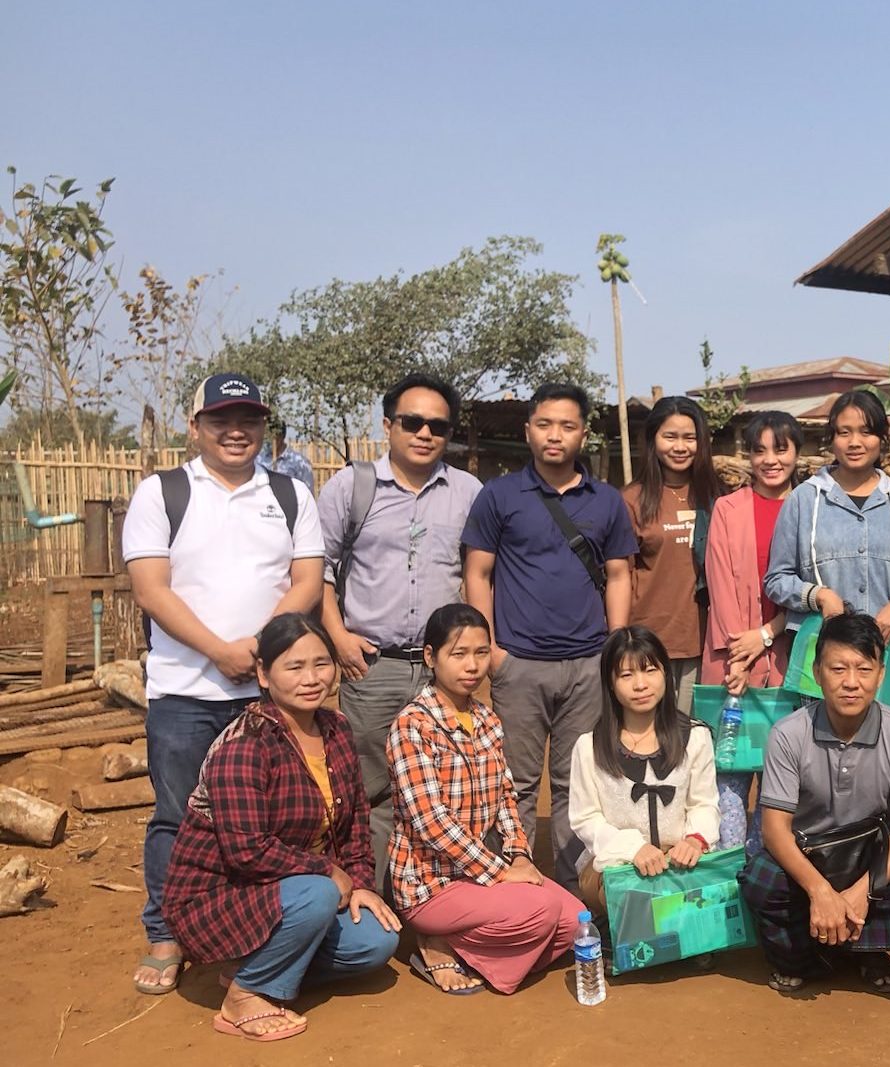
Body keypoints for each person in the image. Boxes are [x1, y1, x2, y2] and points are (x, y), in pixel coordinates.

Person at [123, 373, 325, 995]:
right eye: (221, 420)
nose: (236, 431)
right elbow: (151, 588)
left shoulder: (291, 495)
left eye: (248, 419)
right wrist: (219, 650)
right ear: (196, 427)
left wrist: (262, 657)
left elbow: (308, 580)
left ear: (264, 426)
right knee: (178, 816)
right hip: (185, 692)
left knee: (270, 820)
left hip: (269, 696)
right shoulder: (163, 493)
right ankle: (166, 932)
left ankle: (252, 928)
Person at [162, 613, 400, 1041]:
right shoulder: (245, 745)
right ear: (263, 674)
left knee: (375, 944)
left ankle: (254, 966)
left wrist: (361, 882)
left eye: (321, 663)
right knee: (319, 889)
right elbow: (246, 852)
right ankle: (244, 996)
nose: (311, 678)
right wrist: (328, 870)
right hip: (220, 897)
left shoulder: (337, 729)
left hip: (289, 894)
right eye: (294, 667)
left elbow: (355, 825)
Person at [462, 382, 637, 892]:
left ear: (583, 433)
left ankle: (568, 898)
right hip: (519, 665)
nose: (554, 436)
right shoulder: (498, 495)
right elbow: (479, 573)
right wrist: (490, 652)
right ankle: (512, 891)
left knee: (574, 786)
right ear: (528, 431)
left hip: (588, 664)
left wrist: (615, 647)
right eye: (544, 424)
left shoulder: (605, 501)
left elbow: (620, 574)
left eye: (566, 426)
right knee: (513, 784)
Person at [318, 371, 482, 886]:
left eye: (438, 425)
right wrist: (339, 638)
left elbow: (478, 573)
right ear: (388, 425)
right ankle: (380, 898)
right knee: (373, 788)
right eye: (412, 421)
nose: (425, 433)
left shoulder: (468, 492)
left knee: (451, 784)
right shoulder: (352, 486)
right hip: (374, 666)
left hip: (443, 670)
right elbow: (317, 568)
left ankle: (441, 900)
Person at [739, 612, 890, 995]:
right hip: (808, 858)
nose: (851, 682)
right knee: (760, 882)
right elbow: (774, 829)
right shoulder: (789, 734)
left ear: (881, 675)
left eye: (863, 669)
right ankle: (819, 957)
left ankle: (860, 949)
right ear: (817, 673)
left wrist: (860, 893)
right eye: (838, 668)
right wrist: (820, 892)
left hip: (868, 856)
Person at [387, 603, 583, 994]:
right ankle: (436, 941)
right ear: (431, 657)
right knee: (541, 913)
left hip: (479, 877)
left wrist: (521, 856)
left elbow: (506, 799)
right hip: (430, 883)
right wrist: (501, 872)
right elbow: (431, 823)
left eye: (481, 653)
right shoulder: (412, 725)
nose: (472, 666)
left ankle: (463, 947)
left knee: (577, 920)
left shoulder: (486, 719)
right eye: (458, 654)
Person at [701, 410, 803, 850]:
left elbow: (812, 587)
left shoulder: (810, 506)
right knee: (729, 779)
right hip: (730, 659)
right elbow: (720, 583)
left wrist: (766, 636)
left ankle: (765, 882)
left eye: (780, 449)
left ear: (797, 453)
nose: (770, 460)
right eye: (759, 450)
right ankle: (729, 883)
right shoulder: (727, 508)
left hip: (791, 657)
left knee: (780, 784)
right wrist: (740, 657)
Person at [570, 626, 720, 917]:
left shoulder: (696, 736)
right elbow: (586, 819)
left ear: (666, 674)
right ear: (610, 684)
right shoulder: (589, 747)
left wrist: (694, 840)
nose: (641, 684)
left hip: (679, 860)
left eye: (650, 670)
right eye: (627, 675)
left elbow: (704, 803)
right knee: (630, 898)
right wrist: (632, 849)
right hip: (618, 863)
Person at [765, 389, 890, 645]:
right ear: (832, 439)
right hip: (821, 649)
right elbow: (776, 579)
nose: (854, 442)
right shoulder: (803, 500)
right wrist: (818, 595)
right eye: (844, 432)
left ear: (882, 437)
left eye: (866, 432)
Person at [622, 396, 724, 712]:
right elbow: (621, 576)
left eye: (689, 437)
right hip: (647, 645)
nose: (680, 447)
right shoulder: (631, 500)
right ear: (654, 440)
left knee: (694, 738)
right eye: (670, 436)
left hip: (705, 643)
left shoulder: (719, 496)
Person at [257, 417, 315, 490]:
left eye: (273, 437)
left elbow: (308, 491)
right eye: (267, 436)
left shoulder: (300, 463)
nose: (269, 441)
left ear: (282, 436)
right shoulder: (259, 459)